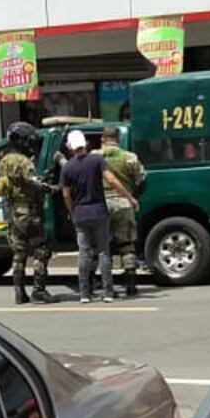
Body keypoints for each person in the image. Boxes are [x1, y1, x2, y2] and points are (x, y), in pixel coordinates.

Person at [61, 129, 136, 303]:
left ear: (71, 147)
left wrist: (72, 212)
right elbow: (111, 180)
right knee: (104, 252)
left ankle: (85, 294)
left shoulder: (67, 167)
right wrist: (129, 197)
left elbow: (66, 195)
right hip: (99, 212)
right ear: (85, 143)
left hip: (80, 214)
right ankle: (108, 292)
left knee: (84, 254)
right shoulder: (96, 160)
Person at [0, 122, 56, 304]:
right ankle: (39, 290)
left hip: (13, 212)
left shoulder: (4, 160)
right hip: (29, 211)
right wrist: (49, 188)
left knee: (19, 253)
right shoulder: (24, 162)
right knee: (40, 251)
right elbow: (32, 183)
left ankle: (19, 293)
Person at [101, 126, 147, 297]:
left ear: (102, 139)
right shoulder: (129, 157)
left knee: (100, 246)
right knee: (127, 244)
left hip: (101, 205)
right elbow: (141, 178)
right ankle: (131, 284)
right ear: (118, 139)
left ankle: (98, 284)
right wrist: (132, 195)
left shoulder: (94, 157)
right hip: (123, 203)